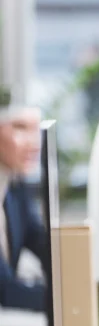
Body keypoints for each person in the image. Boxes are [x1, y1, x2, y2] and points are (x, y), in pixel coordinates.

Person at [0, 97, 46, 314]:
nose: (34, 142)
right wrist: (70, 297)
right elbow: (4, 293)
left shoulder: (15, 189)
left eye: (36, 129)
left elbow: (44, 246)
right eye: (20, 127)